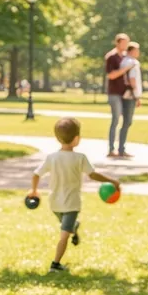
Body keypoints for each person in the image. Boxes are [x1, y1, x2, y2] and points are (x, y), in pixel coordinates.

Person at [27, 116, 120, 272]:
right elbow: (93, 175)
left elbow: (36, 174)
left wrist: (34, 191)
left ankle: (59, 255)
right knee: (65, 234)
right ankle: (55, 265)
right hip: (71, 204)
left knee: (64, 231)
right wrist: (113, 181)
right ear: (77, 138)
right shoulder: (80, 158)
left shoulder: (52, 158)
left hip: (55, 203)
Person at [104, 32, 135, 158]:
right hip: (114, 93)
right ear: (117, 43)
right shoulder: (111, 57)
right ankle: (111, 149)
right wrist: (125, 69)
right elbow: (111, 75)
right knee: (116, 120)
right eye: (123, 43)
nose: (125, 45)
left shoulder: (125, 57)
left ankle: (122, 149)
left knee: (127, 120)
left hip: (125, 94)